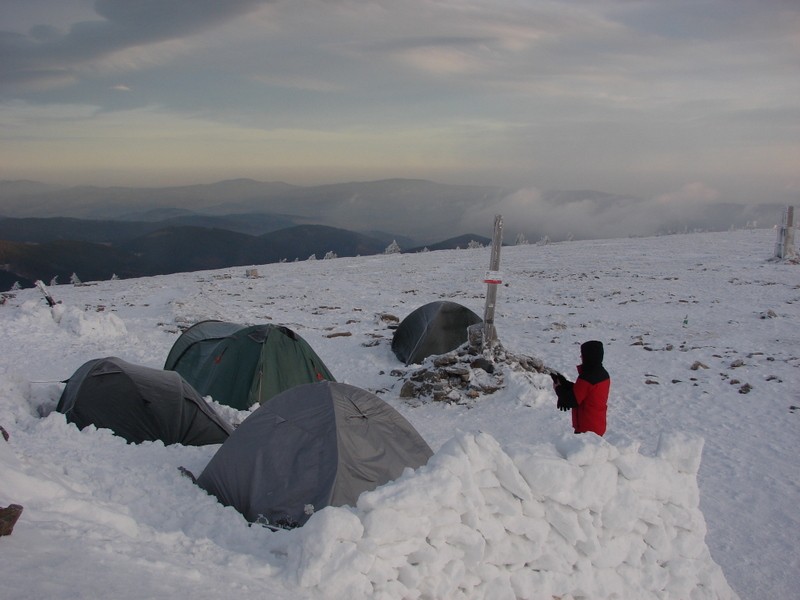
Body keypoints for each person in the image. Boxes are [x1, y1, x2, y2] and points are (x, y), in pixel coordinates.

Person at [551, 340, 610, 436]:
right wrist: (565, 384)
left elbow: (572, 401)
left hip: (586, 429)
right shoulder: (602, 373)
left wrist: (559, 389)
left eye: (583, 354)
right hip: (597, 424)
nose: (581, 357)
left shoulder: (587, 377)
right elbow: (585, 391)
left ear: (589, 356)